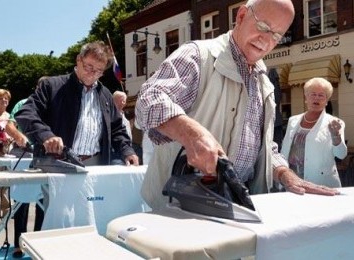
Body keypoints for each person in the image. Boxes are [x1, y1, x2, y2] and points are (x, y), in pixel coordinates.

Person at [135, 0, 338, 210]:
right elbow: (148, 100)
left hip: (237, 210)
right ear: (240, 16)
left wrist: (284, 173)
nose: (266, 40)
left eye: (276, 35)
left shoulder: (264, 82)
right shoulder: (198, 55)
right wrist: (191, 134)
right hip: (180, 208)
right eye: (263, 27)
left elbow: (262, 147)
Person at [15, 41, 139, 167]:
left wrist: (127, 151)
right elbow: (26, 113)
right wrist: (45, 135)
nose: (92, 74)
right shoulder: (52, 86)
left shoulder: (105, 94)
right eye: (89, 67)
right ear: (78, 60)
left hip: (96, 164)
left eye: (99, 71)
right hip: (56, 163)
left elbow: (117, 129)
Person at [281, 77, 347, 187]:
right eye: (313, 94)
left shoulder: (335, 123)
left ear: (326, 100)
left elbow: (341, 155)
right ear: (306, 97)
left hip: (321, 182)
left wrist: (336, 137)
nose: (317, 98)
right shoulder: (293, 120)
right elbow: (285, 149)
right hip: (293, 181)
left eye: (321, 95)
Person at [10, 77, 47, 258]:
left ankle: (37, 241)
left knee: (44, 203)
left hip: (46, 158)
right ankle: (19, 243)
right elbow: (10, 125)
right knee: (22, 202)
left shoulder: (55, 105)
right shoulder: (23, 103)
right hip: (24, 156)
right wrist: (19, 136)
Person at [0, 89, 27, 222]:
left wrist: (12, 139)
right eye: (1, 98)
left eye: (6, 98)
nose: (4, 100)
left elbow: (16, 133)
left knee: (7, 183)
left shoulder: (10, 117)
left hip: (8, 154)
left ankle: (6, 211)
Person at [111, 90, 133, 165]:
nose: (123, 103)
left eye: (124, 101)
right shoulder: (109, 115)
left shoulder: (124, 117)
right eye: (120, 100)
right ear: (113, 100)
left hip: (126, 150)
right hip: (114, 152)